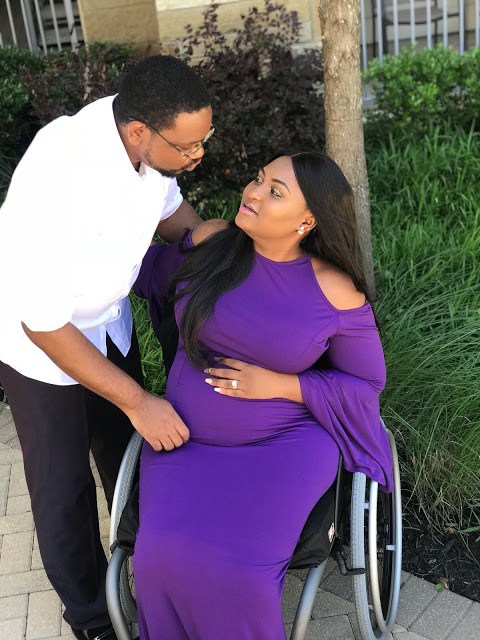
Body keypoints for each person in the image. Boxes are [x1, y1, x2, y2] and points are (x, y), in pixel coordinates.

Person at [131, 151, 394, 639]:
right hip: (184, 439)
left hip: (281, 447)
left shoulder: (334, 289)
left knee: (240, 575)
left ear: (307, 220)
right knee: (156, 562)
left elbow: (366, 385)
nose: (252, 192)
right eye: (258, 179)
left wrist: (280, 384)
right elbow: (136, 270)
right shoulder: (214, 245)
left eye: (275, 191)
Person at [0, 55, 214, 640]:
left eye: (204, 140)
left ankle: (150, 569)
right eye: (188, 146)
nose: (198, 155)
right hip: (43, 348)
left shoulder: (143, 138)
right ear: (140, 131)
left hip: (107, 326)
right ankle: (94, 617)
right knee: (62, 489)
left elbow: (171, 213)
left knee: (125, 455)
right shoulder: (60, 175)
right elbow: (43, 324)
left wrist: (213, 243)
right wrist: (139, 400)